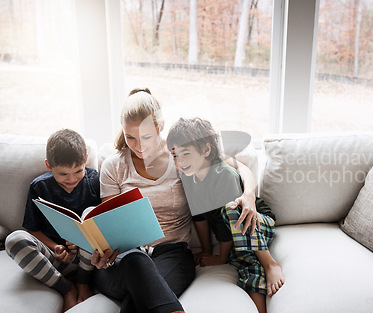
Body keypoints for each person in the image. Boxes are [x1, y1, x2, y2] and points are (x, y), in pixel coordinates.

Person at [92, 88, 260, 313]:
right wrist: (103, 252)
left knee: (138, 299)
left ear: (160, 128)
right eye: (130, 137)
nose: (139, 145)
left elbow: (240, 166)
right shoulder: (114, 166)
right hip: (124, 259)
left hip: (172, 254)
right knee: (136, 261)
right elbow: (110, 226)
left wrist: (248, 194)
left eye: (146, 137)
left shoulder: (181, 156)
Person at [166, 117, 285, 313]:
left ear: (206, 150)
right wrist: (206, 249)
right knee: (246, 262)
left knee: (231, 210)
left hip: (258, 223)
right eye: (175, 155)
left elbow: (227, 223)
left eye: (185, 154)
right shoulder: (188, 177)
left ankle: (270, 264)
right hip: (237, 235)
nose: (180, 162)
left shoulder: (223, 174)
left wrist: (221, 257)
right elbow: (199, 217)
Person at [5, 129, 100, 312]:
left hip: (88, 258)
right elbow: (32, 229)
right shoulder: (39, 187)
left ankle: (83, 283)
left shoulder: (94, 181)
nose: (71, 179)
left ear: (86, 159)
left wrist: (81, 242)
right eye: (63, 174)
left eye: (78, 171)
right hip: (54, 259)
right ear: (49, 165)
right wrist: (55, 247)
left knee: (92, 215)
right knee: (14, 240)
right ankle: (66, 288)